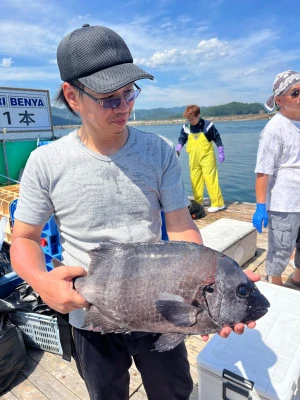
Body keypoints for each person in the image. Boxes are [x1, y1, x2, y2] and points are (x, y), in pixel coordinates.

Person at [11, 24, 259, 400]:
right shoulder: (46, 162)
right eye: (109, 98)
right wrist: (44, 284)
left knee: (173, 390)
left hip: (166, 307)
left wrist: (212, 279)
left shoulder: (158, 151)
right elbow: (24, 238)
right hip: (91, 315)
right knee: (106, 392)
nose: (124, 106)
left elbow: (179, 225)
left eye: (129, 93)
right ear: (72, 96)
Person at [252, 70, 300, 287]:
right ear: (279, 100)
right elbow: (263, 171)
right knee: (281, 247)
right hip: (284, 203)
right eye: (295, 93)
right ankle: (276, 285)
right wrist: (260, 206)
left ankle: (297, 278)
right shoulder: (274, 129)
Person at [176, 105, 225, 213]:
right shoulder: (186, 127)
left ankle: (218, 203)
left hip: (207, 157)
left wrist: (221, 151)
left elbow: (217, 138)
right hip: (193, 158)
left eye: (192, 119)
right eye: (188, 119)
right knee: (195, 180)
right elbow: (182, 139)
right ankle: (198, 203)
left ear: (198, 115)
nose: (190, 121)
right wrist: (178, 149)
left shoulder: (208, 126)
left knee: (210, 179)